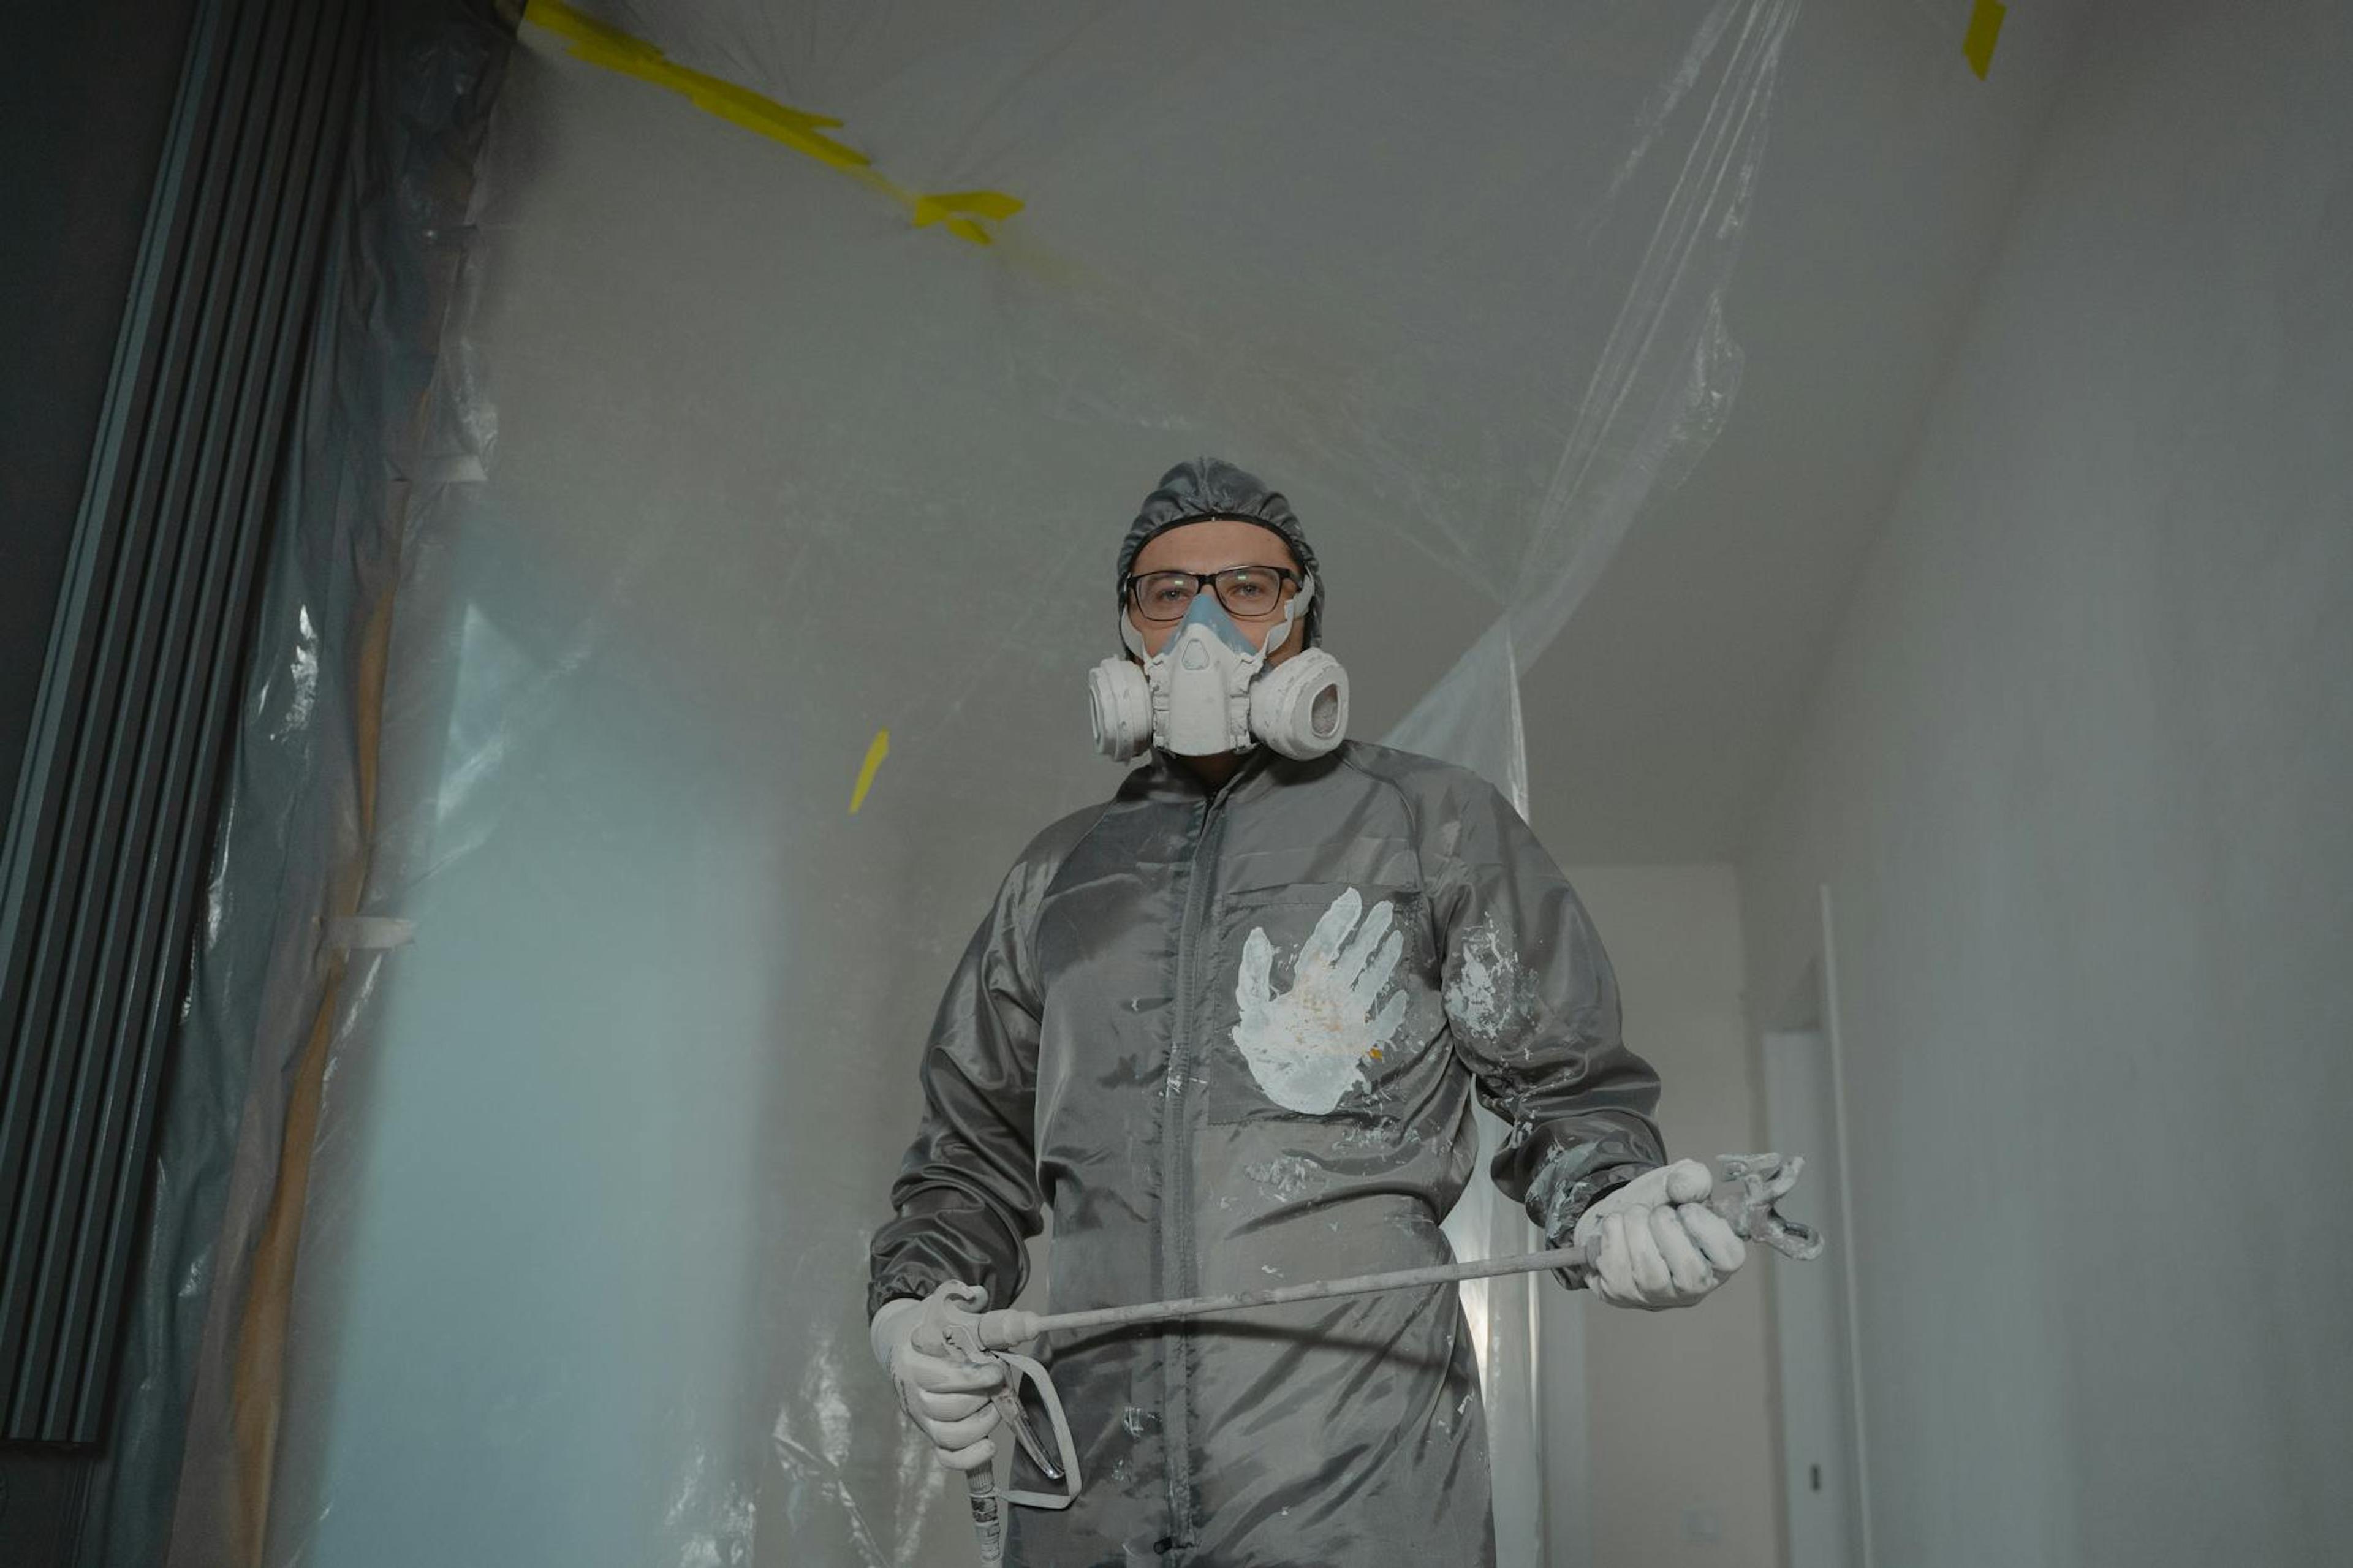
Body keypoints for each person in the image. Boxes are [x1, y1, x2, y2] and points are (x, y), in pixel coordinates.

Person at [867, 458, 1745, 1567]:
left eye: (1246, 588)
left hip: (1361, 1486)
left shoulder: (1428, 825)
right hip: (1087, 1488)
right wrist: (915, 1310)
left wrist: (1613, 1204)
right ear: (1127, 632)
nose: (1203, 626)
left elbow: (1565, 1089)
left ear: (1300, 617)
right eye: (1165, 592)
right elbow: (969, 1151)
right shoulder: (1059, 879)